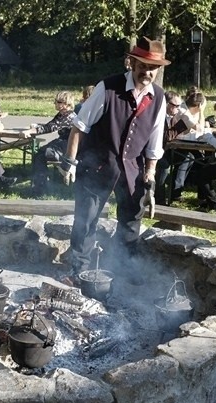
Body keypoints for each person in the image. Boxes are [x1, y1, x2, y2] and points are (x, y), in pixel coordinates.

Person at [58, 36, 169, 282]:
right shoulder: (107, 88)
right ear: (131, 63)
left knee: (131, 222)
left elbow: (155, 141)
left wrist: (149, 175)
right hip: (97, 165)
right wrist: (70, 162)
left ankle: (123, 272)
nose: (147, 72)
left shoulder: (159, 98)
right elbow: (79, 126)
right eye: (143, 66)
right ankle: (78, 271)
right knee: (86, 220)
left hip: (132, 170)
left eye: (153, 68)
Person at [23, 91, 76, 197]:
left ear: (65, 103)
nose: (55, 104)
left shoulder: (68, 116)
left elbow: (50, 128)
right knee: (39, 154)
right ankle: (40, 186)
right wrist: (36, 126)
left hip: (68, 146)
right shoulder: (62, 115)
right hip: (63, 143)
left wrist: (30, 131)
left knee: (43, 153)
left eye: (58, 102)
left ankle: (41, 187)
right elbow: (51, 125)